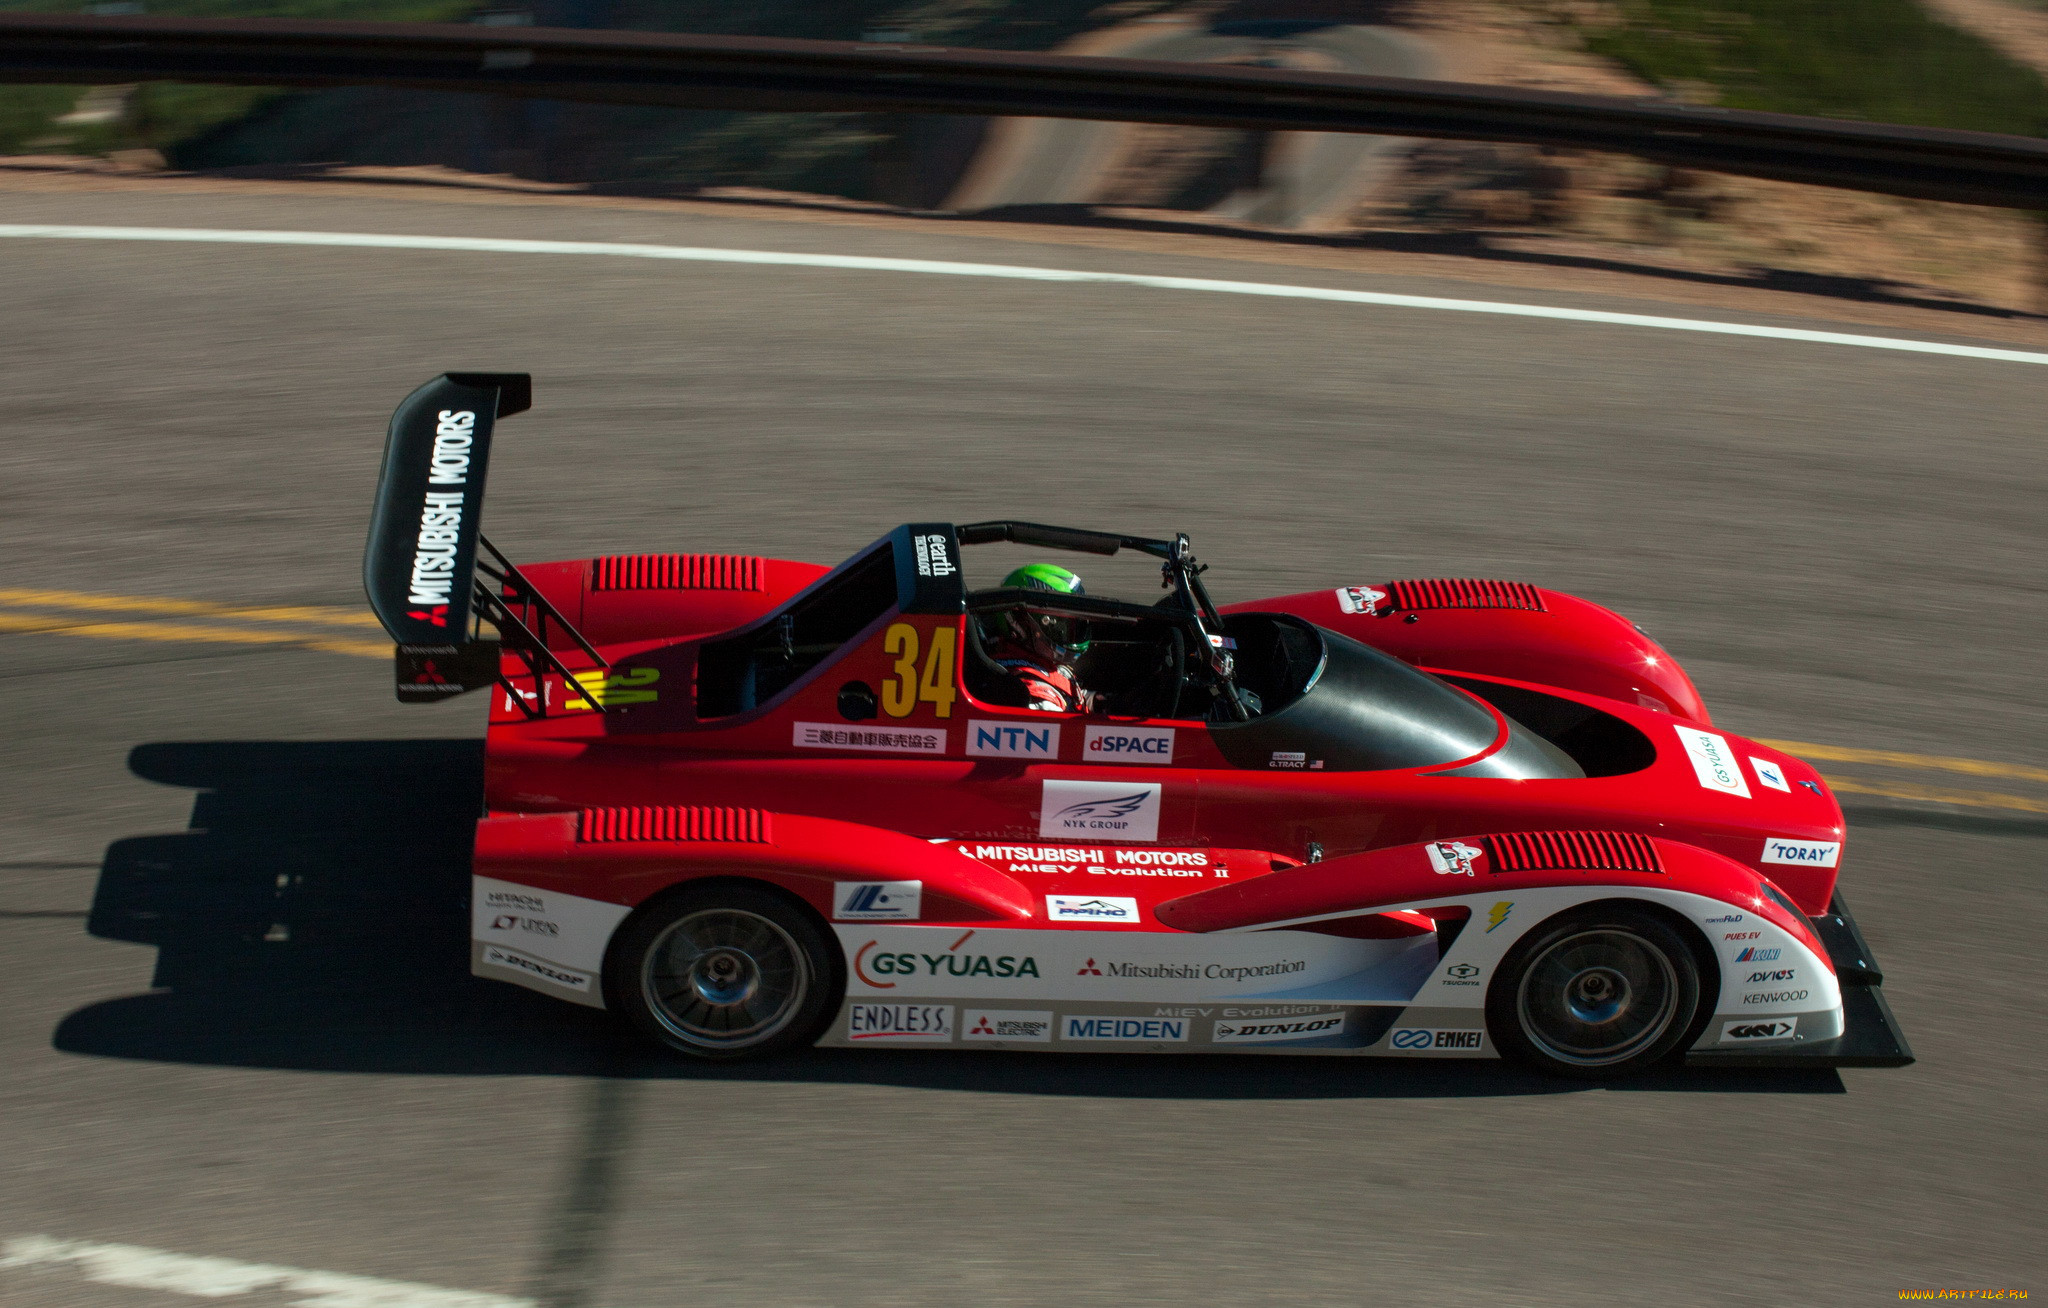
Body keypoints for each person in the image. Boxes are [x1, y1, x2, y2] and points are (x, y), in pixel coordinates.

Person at [983, 563, 1092, 712]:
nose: (1074, 632)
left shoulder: (1041, 663)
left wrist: (1102, 702)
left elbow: (1072, 695)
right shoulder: (1034, 697)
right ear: (1023, 624)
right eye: (1062, 626)